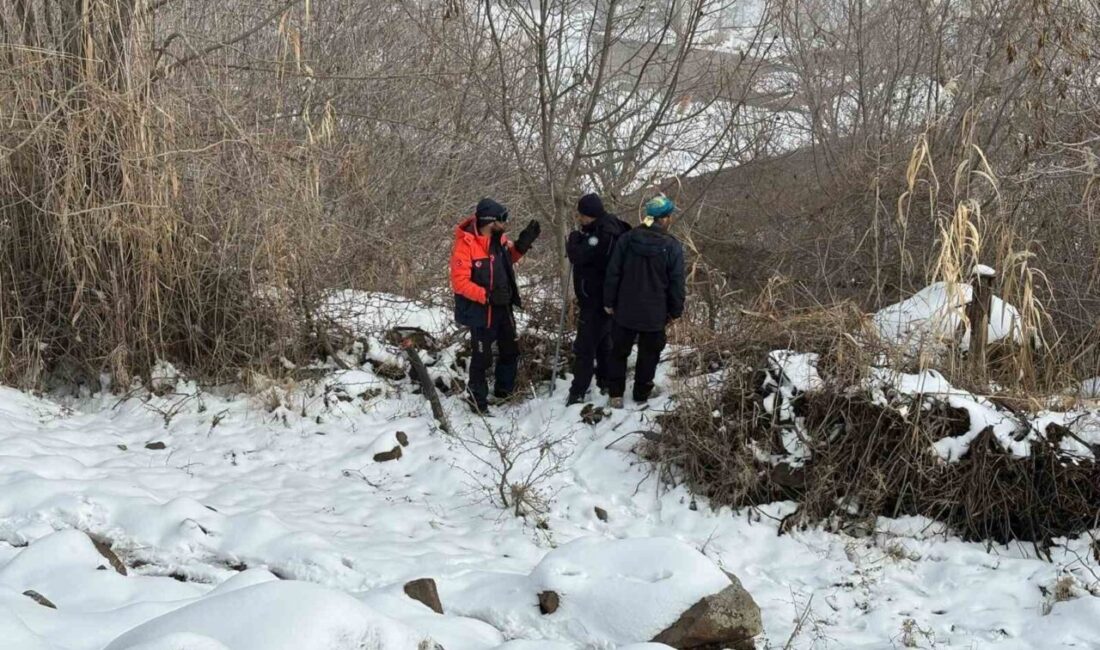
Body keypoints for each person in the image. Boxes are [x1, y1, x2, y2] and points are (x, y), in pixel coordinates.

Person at [450, 198, 541, 413]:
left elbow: (509, 259)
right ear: (491, 222)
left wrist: (522, 245)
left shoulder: (499, 239)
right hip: (481, 311)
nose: (505, 224)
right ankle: (477, 401)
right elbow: (459, 282)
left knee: (510, 350)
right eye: (502, 220)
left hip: (503, 308)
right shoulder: (465, 245)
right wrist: (487, 296)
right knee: (482, 358)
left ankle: (504, 392)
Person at [602, 195, 685, 409]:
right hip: (655, 313)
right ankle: (641, 393)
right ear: (664, 219)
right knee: (649, 355)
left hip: (625, 309)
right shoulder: (672, 246)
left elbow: (613, 272)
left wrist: (609, 301)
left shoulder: (627, 239)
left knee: (619, 352)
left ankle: (615, 394)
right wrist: (676, 310)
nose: (670, 219)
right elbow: (676, 282)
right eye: (669, 216)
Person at [565, 193, 630, 406]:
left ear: (590, 215)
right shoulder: (610, 227)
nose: (579, 218)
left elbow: (580, 256)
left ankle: (577, 393)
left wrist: (574, 240)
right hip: (608, 299)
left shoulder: (603, 234)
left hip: (595, 298)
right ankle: (605, 381)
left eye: (581, 215)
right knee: (604, 342)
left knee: (584, 348)